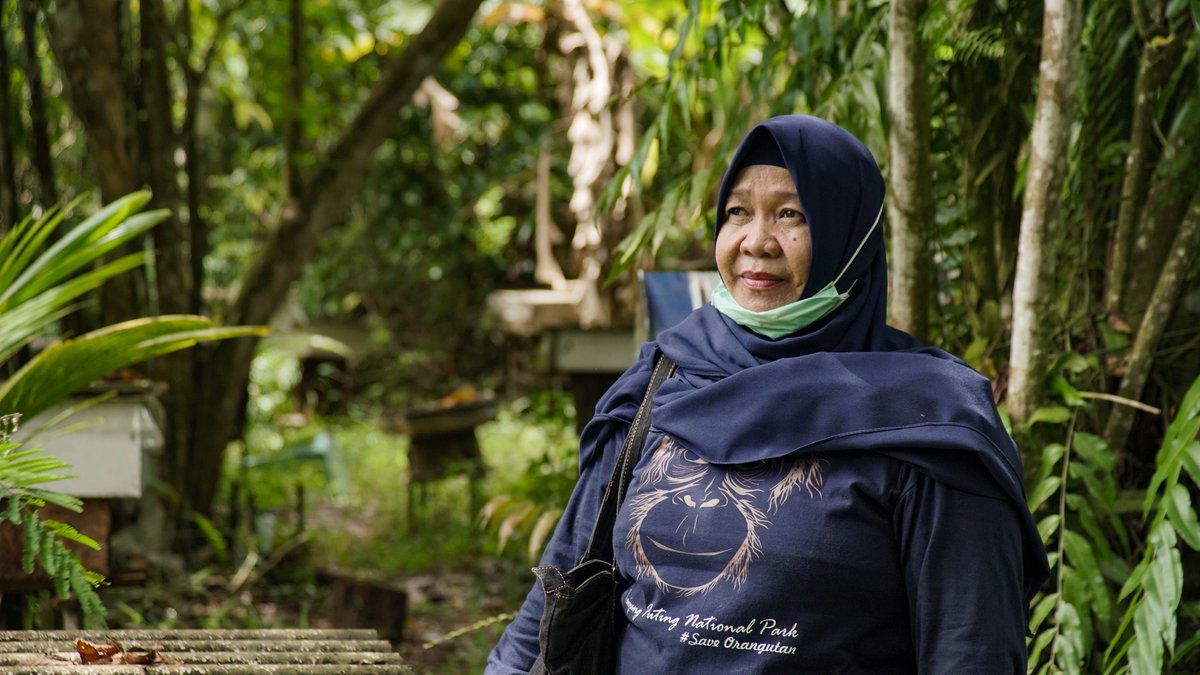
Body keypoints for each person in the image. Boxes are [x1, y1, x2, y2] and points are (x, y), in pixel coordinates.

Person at [486, 114, 1050, 674]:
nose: (757, 242)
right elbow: (558, 592)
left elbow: (970, 651)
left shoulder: (930, 424)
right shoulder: (663, 379)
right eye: (738, 213)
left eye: (791, 215)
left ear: (848, 237)